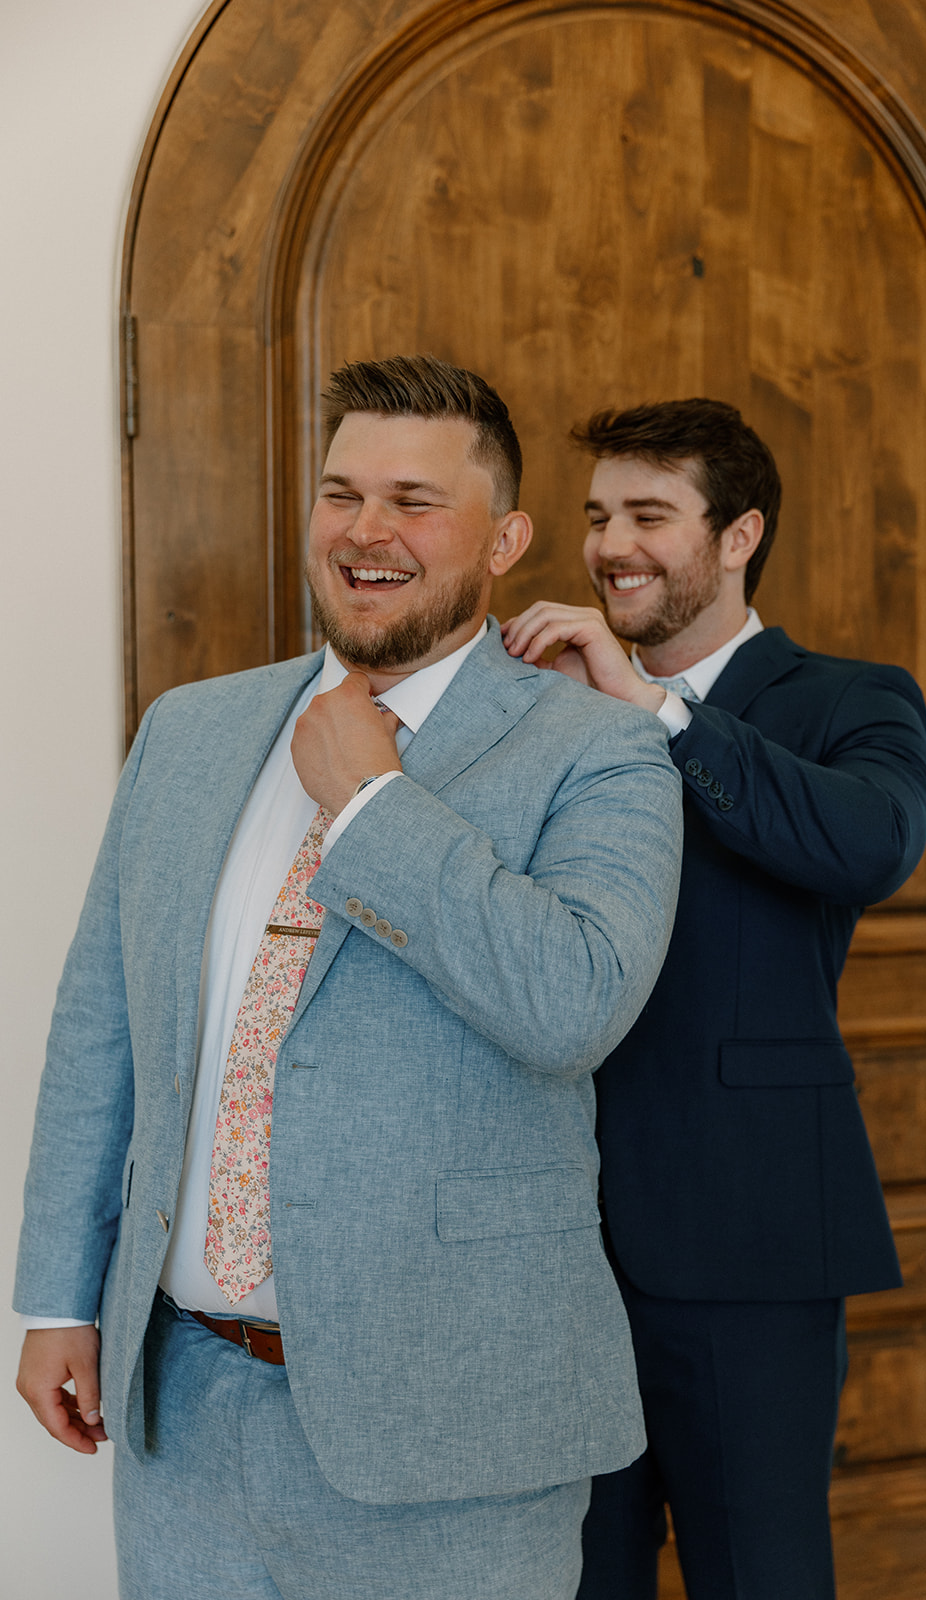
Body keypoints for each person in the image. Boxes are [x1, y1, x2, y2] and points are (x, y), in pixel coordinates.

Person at [14, 356, 684, 1600]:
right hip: (186, 1409)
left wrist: (371, 803)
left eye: (414, 500)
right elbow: (102, 1024)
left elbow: (572, 1003)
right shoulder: (192, 727)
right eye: (340, 493)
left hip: (455, 1429)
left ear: (504, 539)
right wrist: (58, 1293)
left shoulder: (601, 752)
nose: (367, 531)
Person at [502, 398, 926, 1600]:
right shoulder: (543, 701)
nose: (609, 544)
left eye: (648, 513)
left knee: (760, 1573)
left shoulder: (848, 699)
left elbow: (866, 844)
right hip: (549, 1239)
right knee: (572, 1579)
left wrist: (657, 717)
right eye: (595, 516)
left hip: (750, 1231)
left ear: (738, 534)